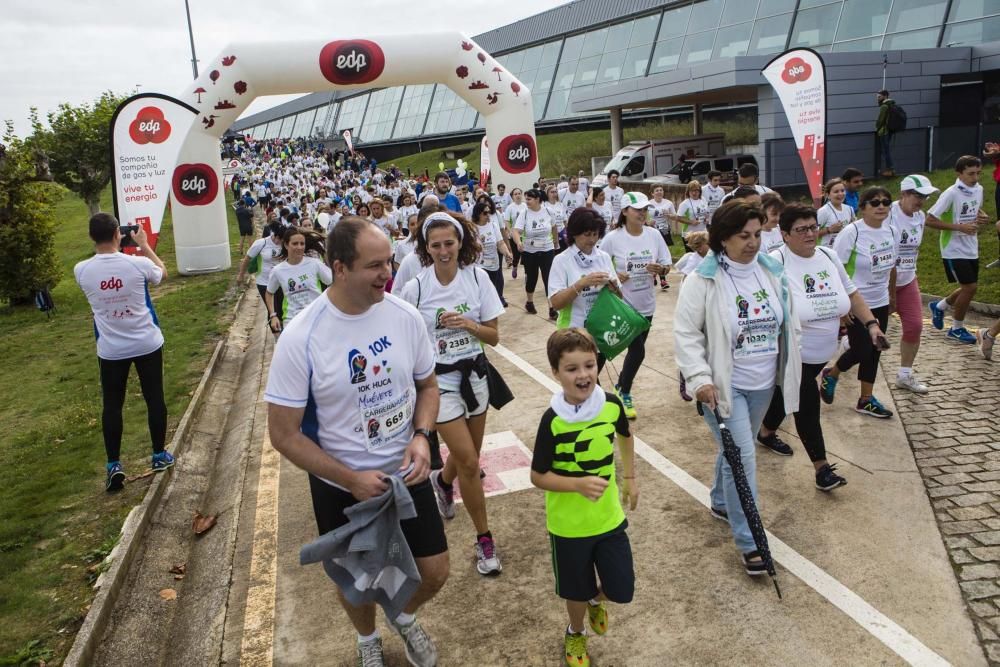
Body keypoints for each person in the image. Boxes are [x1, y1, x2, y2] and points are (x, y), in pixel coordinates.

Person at [265, 217, 447, 667]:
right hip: (340, 484)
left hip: (407, 473)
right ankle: (367, 639)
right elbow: (282, 434)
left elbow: (428, 386)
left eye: (389, 261)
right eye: (374, 265)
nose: (388, 272)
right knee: (357, 579)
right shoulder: (301, 338)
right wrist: (350, 478)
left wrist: (423, 437)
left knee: (435, 572)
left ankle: (403, 619)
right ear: (339, 268)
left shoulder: (404, 316)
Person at [673, 200, 801, 575]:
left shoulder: (771, 271)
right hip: (725, 388)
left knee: (735, 452)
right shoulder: (703, 279)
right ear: (723, 239)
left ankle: (719, 500)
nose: (753, 242)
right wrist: (700, 378)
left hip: (764, 383)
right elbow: (686, 333)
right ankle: (751, 541)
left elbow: (786, 320)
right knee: (742, 459)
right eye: (743, 236)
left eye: (758, 234)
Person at [400, 211, 506, 577]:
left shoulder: (477, 279)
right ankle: (484, 539)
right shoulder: (414, 288)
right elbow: (402, 339)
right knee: (471, 463)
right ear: (425, 248)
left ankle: (443, 483)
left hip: (476, 375)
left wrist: (469, 325)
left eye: (449, 243)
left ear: (461, 243)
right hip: (438, 384)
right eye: (436, 245)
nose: (443, 250)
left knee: (468, 458)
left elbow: (494, 336)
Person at [759, 204, 887, 490]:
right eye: (801, 229)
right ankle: (822, 469)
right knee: (806, 402)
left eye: (813, 227)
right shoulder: (774, 261)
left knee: (786, 394)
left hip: (821, 352)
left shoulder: (828, 256)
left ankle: (766, 432)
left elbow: (852, 293)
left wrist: (872, 325)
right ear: (784, 234)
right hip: (791, 352)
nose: (809, 234)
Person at [530, 328, 637, 667]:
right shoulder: (553, 421)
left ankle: (596, 598)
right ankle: (575, 633)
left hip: (608, 519)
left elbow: (625, 434)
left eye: (589, 365)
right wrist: (576, 485)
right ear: (556, 373)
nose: (584, 375)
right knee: (573, 591)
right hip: (568, 527)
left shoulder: (610, 404)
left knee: (622, 588)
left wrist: (631, 478)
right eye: (572, 369)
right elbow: (537, 476)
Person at [74, 213, 171, 492]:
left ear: (92, 237)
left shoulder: (81, 270)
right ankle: (158, 455)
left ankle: (114, 464)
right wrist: (145, 245)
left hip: (111, 348)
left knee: (112, 404)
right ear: (119, 234)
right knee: (155, 398)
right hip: (146, 342)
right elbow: (161, 274)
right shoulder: (138, 264)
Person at [821, 187, 899, 418]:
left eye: (886, 201)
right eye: (875, 203)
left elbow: (892, 267)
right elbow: (835, 270)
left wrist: (892, 296)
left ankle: (865, 399)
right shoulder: (852, 232)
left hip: (881, 300)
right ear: (862, 207)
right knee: (862, 349)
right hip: (854, 301)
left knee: (876, 350)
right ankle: (832, 373)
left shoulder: (892, 232)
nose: (881, 206)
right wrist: (840, 307)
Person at [600, 193, 672, 419]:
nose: (642, 213)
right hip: (622, 305)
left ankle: (619, 387)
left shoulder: (654, 235)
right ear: (624, 212)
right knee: (638, 351)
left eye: (645, 209)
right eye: (637, 209)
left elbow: (667, 264)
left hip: (647, 304)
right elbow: (599, 264)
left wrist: (660, 270)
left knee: (630, 351)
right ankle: (624, 391)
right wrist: (614, 275)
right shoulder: (612, 238)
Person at [927, 155, 992, 344]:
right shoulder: (951, 193)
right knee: (970, 287)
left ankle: (939, 306)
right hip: (953, 248)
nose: (976, 177)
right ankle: (956, 328)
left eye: (978, 173)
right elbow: (930, 220)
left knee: (968, 289)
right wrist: (959, 227)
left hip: (972, 246)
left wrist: (983, 216)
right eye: (971, 174)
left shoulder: (978, 189)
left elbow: (975, 210)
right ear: (959, 173)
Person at [888, 175, 940, 393]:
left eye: (925, 196)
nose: (922, 200)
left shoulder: (920, 216)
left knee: (915, 326)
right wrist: (889, 293)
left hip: (908, 279)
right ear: (904, 194)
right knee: (868, 334)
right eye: (918, 195)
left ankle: (905, 375)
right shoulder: (888, 213)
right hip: (882, 282)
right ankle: (843, 358)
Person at [265, 227, 332, 334]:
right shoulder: (278, 270)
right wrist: (273, 316)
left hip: (316, 318)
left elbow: (332, 282)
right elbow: (269, 293)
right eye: (295, 244)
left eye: (302, 243)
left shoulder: (314, 263)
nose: (299, 247)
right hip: (292, 320)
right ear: (286, 245)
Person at [513, 188, 561, 319]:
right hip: (530, 251)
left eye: (529, 199)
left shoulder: (548, 211)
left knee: (548, 279)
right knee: (532, 278)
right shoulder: (524, 214)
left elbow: (554, 227)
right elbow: (516, 231)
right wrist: (518, 242)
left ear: (537, 199)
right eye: (526, 199)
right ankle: (529, 302)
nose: (526, 201)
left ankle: (552, 308)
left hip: (547, 250)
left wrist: (556, 242)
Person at [238, 222, 285, 319]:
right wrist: (241, 275)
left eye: (282, 240)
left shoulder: (286, 244)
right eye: (278, 239)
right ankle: (276, 331)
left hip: (281, 282)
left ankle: (282, 329)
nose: (279, 242)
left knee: (281, 309)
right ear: (274, 235)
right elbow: (247, 258)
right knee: (272, 310)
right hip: (264, 282)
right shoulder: (261, 243)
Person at [472, 201, 512, 307]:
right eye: (485, 213)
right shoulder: (471, 228)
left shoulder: (493, 226)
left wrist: (507, 253)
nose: (488, 215)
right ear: (478, 214)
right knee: (483, 291)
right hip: (480, 265)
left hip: (494, 264)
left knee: (492, 290)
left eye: (489, 212)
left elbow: (500, 243)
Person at [816, 178, 854, 248]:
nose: (840, 194)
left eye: (842, 191)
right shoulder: (823, 211)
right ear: (828, 195)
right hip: (826, 251)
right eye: (836, 192)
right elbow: (813, 233)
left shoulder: (850, 209)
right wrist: (829, 230)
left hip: (844, 250)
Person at [502, 187, 526, 278]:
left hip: (525, 235)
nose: (517, 195)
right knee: (516, 255)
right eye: (515, 194)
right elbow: (507, 221)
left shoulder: (525, 206)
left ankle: (527, 272)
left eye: (519, 193)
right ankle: (515, 267)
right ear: (512, 196)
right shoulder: (510, 208)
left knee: (526, 254)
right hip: (514, 235)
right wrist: (510, 231)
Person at [875, 90, 896, 177]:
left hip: (884, 131)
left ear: (885, 96)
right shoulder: (891, 104)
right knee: (886, 150)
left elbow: (880, 119)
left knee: (885, 151)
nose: (877, 99)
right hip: (889, 130)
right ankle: (890, 169)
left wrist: (877, 127)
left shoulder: (884, 106)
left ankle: (889, 169)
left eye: (879, 97)